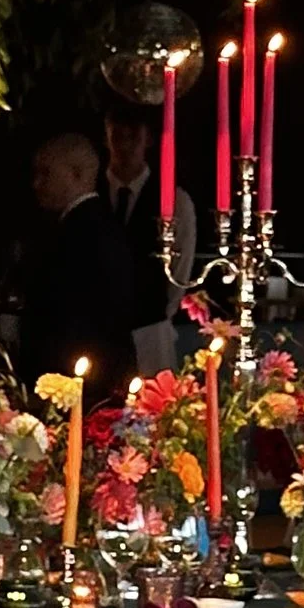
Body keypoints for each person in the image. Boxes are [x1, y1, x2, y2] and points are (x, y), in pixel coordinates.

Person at [20, 130, 139, 397]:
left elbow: (67, 316)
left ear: (77, 174)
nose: (36, 184)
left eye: (46, 173)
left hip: (81, 378)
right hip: (97, 373)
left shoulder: (81, 232)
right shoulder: (95, 225)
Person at [102, 109, 194, 376]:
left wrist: (157, 313)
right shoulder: (91, 191)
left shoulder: (175, 201)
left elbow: (180, 268)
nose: (125, 145)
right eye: (118, 136)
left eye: (134, 136)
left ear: (148, 139)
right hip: (98, 327)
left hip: (149, 330)